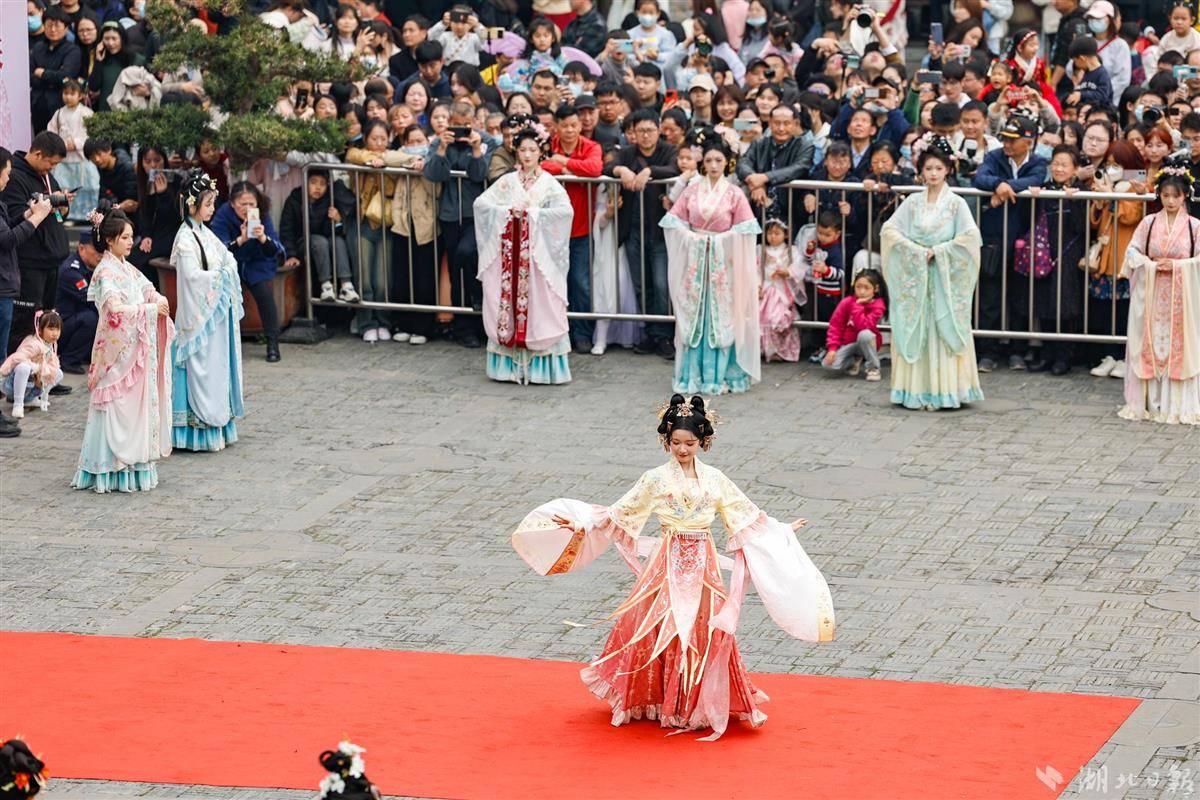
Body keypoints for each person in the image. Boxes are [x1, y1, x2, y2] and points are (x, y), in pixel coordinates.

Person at [510, 395, 834, 739]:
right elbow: (620, 512)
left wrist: (780, 530)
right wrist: (581, 525)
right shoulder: (654, 479)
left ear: (703, 442)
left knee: (702, 629)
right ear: (667, 440)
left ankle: (694, 702)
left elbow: (744, 513)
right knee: (655, 624)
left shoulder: (715, 479)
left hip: (703, 562)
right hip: (667, 560)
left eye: (690, 443)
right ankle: (656, 697)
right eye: (676, 443)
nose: (682, 450)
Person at [72, 209, 175, 493]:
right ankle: (108, 468)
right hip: (116, 356)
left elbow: (146, 288)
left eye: (131, 236)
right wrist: (150, 309)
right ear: (109, 239)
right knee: (117, 407)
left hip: (134, 352)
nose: (131, 242)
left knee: (134, 409)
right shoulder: (106, 271)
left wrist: (157, 298)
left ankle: (133, 464)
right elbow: (114, 311)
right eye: (125, 237)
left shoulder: (126, 267)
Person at [880, 136, 985, 410]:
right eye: (928, 169)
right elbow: (890, 231)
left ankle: (948, 389)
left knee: (942, 327)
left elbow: (970, 239)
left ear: (947, 170)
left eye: (939, 168)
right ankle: (915, 390)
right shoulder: (913, 202)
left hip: (943, 277)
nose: (934, 174)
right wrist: (913, 250)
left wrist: (939, 251)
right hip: (917, 276)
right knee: (919, 327)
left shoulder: (956, 204)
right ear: (921, 171)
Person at [473, 125, 574, 385]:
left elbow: (565, 213)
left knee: (541, 306)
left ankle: (542, 367)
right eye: (522, 149)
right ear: (516, 151)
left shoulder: (549, 184)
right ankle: (508, 367)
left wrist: (534, 216)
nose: (527, 155)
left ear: (541, 151)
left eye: (533, 149)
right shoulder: (507, 182)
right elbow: (482, 205)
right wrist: (506, 212)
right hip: (509, 254)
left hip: (537, 259)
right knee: (505, 302)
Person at [661, 138, 761, 395]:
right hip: (696, 260)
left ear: (727, 162)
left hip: (722, 264)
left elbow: (746, 229)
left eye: (718, 160)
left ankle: (722, 375)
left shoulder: (735, 193)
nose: (714, 165)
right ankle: (692, 375)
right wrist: (693, 239)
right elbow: (673, 222)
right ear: (702, 163)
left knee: (721, 314)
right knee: (695, 313)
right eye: (708, 161)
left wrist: (720, 241)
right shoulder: (692, 190)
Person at [1117, 163, 1200, 425]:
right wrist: (1151, 265)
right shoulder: (1149, 222)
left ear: (1185, 195)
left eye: (1176, 196)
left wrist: (1177, 265)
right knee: (1149, 343)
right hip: (1152, 292)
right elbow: (1132, 252)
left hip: (1182, 296)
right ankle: (1148, 403)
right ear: (1159, 195)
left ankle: (1178, 404)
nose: (1171, 201)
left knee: (1181, 345)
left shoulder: (1194, 226)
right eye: (1165, 195)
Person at [168, 172, 245, 452]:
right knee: (201, 368)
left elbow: (226, 256)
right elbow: (190, 275)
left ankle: (216, 421)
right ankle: (194, 431)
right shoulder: (185, 238)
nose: (212, 209)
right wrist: (220, 276)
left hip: (213, 314)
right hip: (199, 317)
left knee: (216, 368)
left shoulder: (204, 233)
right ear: (192, 205)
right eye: (208, 204)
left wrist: (225, 269)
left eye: (213, 203)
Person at [605, 108, 679, 358]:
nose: (645, 136)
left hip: (659, 230)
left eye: (650, 130)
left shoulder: (668, 151)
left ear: (659, 131)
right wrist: (621, 171)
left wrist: (650, 171)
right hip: (633, 227)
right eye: (640, 131)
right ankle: (650, 332)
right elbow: (608, 167)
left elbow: (674, 169)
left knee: (660, 283)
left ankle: (664, 335)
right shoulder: (627, 153)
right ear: (632, 134)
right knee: (642, 284)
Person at [424, 101, 489, 348]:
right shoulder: (439, 141)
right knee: (454, 269)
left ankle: (482, 313)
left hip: (477, 214)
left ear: (474, 122)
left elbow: (480, 175)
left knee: (469, 255)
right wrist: (442, 148)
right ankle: (464, 327)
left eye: (466, 125)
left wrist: (475, 151)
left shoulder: (485, 141)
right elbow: (432, 174)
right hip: (450, 213)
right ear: (450, 121)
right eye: (457, 125)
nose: (461, 130)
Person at [3, 133, 73, 357]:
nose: (51, 169)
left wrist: (62, 205)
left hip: (52, 260)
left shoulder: (46, 177)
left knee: (48, 322)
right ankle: (21, 378)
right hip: (30, 264)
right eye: (50, 163)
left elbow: (57, 212)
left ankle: (46, 373)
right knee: (26, 324)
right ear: (38, 153)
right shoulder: (15, 178)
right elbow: (13, 220)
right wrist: (36, 212)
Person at [540, 104, 603, 354]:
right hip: (551, 228)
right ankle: (555, 331)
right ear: (556, 126)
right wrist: (567, 168)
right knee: (552, 282)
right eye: (564, 125)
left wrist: (565, 163)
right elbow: (539, 166)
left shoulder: (591, 146)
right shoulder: (546, 143)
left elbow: (595, 168)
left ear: (581, 125)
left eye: (573, 125)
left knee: (581, 283)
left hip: (581, 227)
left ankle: (582, 333)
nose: (569, 130)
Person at [211, 182, 283, 363]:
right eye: (243, 204)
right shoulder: (222, 215)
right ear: (233, 204)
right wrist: (241, 240)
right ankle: (223, 345)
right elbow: (218, 250)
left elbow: (274, 249)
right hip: (231, 264)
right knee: (222, 296)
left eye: (251, 204)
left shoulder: (262, 215)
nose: (247, 208)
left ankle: (272, 343)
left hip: (256, 264)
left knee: (264, 293)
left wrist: (262, 237)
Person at [279, 169, 359, 305]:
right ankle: (326, 285)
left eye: (322, 184)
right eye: (313, 182)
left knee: (338, 241)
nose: (318, 187)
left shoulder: (330, 198)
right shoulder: (295, 199)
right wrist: (291, 254)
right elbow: (287, 230)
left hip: (323, 242)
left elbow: (333, 232)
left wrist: (338, 221)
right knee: (320, 241)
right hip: (303, 242)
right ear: (305, 183)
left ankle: (346, 285)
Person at [821, 269, 887, 381]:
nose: (861, 292)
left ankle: (873, 368)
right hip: (848, 343)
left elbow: (864, 326)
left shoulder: (878, 305)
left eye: (866, 288)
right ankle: (854, 360)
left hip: (867, 342)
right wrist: (832, 348)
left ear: (875, 289)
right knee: (827, 364)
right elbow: (835, 326)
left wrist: (858, 306)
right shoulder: (846, 302)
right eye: (858, 287)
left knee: (865, 334)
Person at [55, 230, 103, 375]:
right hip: (59, 328)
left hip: (73, 321)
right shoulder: (71, 271)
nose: (100, 254)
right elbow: (91, 300)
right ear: (82, 248)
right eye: (97, 250)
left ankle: (83, 354)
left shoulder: (90, 267)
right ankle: (68, 360)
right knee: (91, 318)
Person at [1, 310, 63, 419]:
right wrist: (36, 367)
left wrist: (42, 374)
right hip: (12, 384)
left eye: (58, 329)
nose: (55, 333)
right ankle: (18, 404)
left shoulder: (49, 345)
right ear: (39, 329)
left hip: (32, 385)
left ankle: (35, 398)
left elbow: (52, 366)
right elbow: (17, 358)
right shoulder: (33, 343)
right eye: (51, 329)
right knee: (24, 367)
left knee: (58, 373)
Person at [29, 6, 81, 134]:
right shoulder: (38, 48)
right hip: (37, 104)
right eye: (49, 25)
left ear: (66, 28)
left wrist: (43, 73)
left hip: (60, 105)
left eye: (57, 25)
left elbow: (66, 77)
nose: (52, 30)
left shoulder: (72, 50)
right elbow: (30, 76)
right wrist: (53, 76)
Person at [758, 217, 803, 363]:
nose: (772, 236)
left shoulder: (791, 251)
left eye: (777, 233)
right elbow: (756, 269)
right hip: (766, 288)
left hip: (782, 290)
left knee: (779, 319)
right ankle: (766, 349)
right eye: (769, 233)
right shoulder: (760, 250)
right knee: (763, 317)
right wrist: (757, 285)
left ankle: (782, 349)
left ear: (786, 234)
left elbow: (799, 267)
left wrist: (788, 272)